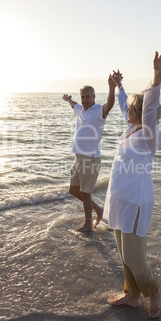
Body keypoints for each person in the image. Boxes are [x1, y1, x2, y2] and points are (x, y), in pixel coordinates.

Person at [103, 40, 161, 318]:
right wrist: (120, 87)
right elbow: (130, 104)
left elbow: (147, 109)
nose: (126, 110)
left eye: (130, 108)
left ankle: (153, 290)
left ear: (139, 113)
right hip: (120, 200)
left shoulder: (148, 135)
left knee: (136, 258)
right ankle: (131, 295)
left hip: (136, 202)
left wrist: (158, 76)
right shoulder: (130, 130)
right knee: (124, 256)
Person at [63, 75, 116, 232]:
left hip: (90, 158)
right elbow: (74, 105)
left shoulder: (98, 110)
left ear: (94, 97)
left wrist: (111, 88)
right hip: (78, 156)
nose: (85, 100)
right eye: (83, 97)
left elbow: (110, 105)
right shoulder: (80, 109)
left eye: (88, 96)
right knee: (73, 190)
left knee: (86, 193)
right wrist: (69, 100)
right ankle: (98, 210)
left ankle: (88, 225)